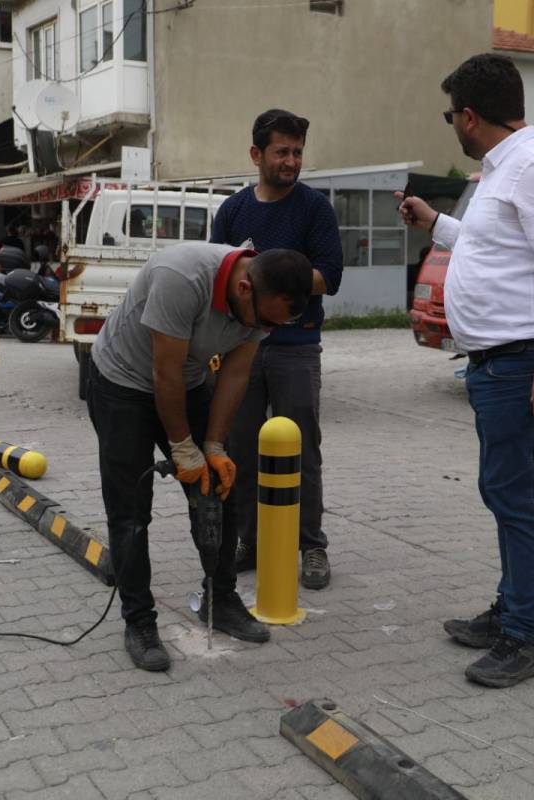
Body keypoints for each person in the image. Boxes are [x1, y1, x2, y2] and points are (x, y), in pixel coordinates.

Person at [397, 54, 534, 688]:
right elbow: (494, 247)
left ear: (470, 116)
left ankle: (524, 637)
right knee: (505, 493)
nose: (450, 124)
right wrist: (436, 223)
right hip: (498, 364)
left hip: (524, 363)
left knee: (518, 499)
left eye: (451, 114)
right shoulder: (501, 170)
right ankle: (511, 608)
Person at [88, 242, 314, 671]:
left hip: (185, 381)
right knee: (131, 511)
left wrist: (211, 446)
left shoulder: (263, 302)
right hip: (122, 382)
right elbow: (163, 372)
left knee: (218, 489)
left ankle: (221, 598)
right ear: (245, 287)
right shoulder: (182, 276)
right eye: (266, 320)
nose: (267, 328)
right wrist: (181, 447)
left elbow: (236, 372)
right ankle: (139, 621)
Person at [210, 109, 343, 590]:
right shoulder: (232, 211)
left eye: (297, 152)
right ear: (256, 155)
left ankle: (311, 546)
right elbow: (218, 275)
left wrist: (264, 275)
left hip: (296, 348)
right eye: (281, 151)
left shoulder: (315, 209)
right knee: (239, 447)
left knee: (302, 449)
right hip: (241, 346)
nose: (291, 161)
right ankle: (250, 540)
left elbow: (329, 275)